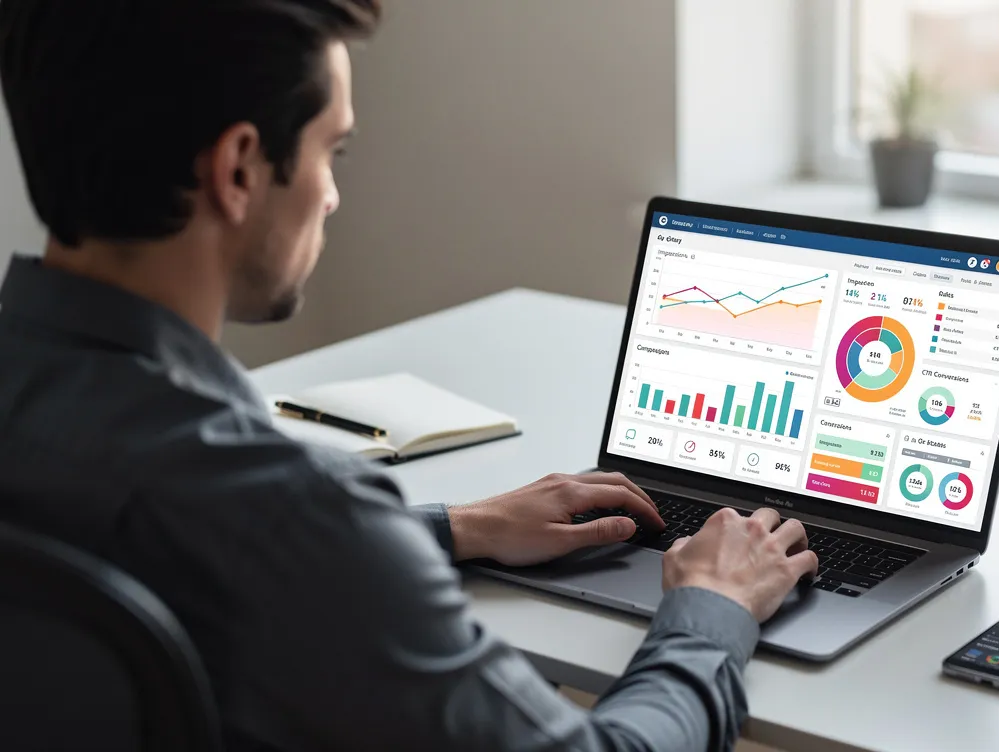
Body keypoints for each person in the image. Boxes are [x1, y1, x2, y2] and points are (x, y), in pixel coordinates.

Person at [0, 1, 818, 750]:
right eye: (333, 151)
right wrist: (712, 609)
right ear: (239, 169)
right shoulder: (297, 520)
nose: (330, 197)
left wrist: (452, 526)